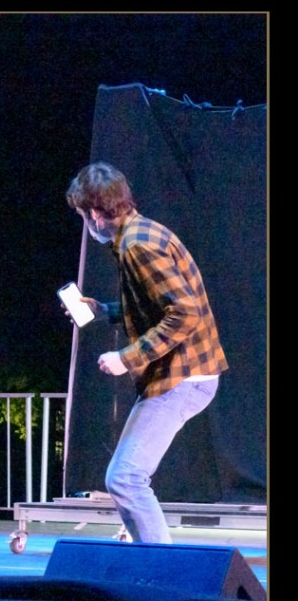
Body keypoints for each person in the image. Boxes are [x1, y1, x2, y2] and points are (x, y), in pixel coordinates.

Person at [64, 162, 228, 544]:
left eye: (83, 216)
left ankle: (160, 566)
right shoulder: (144, 231)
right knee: (125, 477)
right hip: (185, 373)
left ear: (94, 213)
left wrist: (126, 358)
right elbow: (156, 306)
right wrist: (104, 311)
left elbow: (185, 312)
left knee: (125, 477)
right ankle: (154, 559)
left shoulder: (137, 246)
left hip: (184, 377)